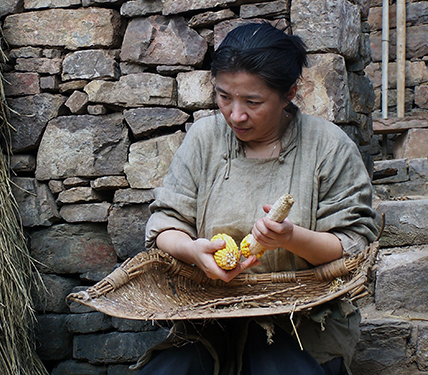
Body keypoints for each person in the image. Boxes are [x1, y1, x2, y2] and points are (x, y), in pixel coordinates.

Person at [135, 22, 378, 375]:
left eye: (253, 101)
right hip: (209, 312)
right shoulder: (205, 139)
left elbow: (353, 244)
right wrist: (192, 251)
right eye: (223, 97)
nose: (236, 115)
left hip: (302, 316)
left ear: (289, 92)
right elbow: (165, 226)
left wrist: (291, 239)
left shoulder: (328, 146)